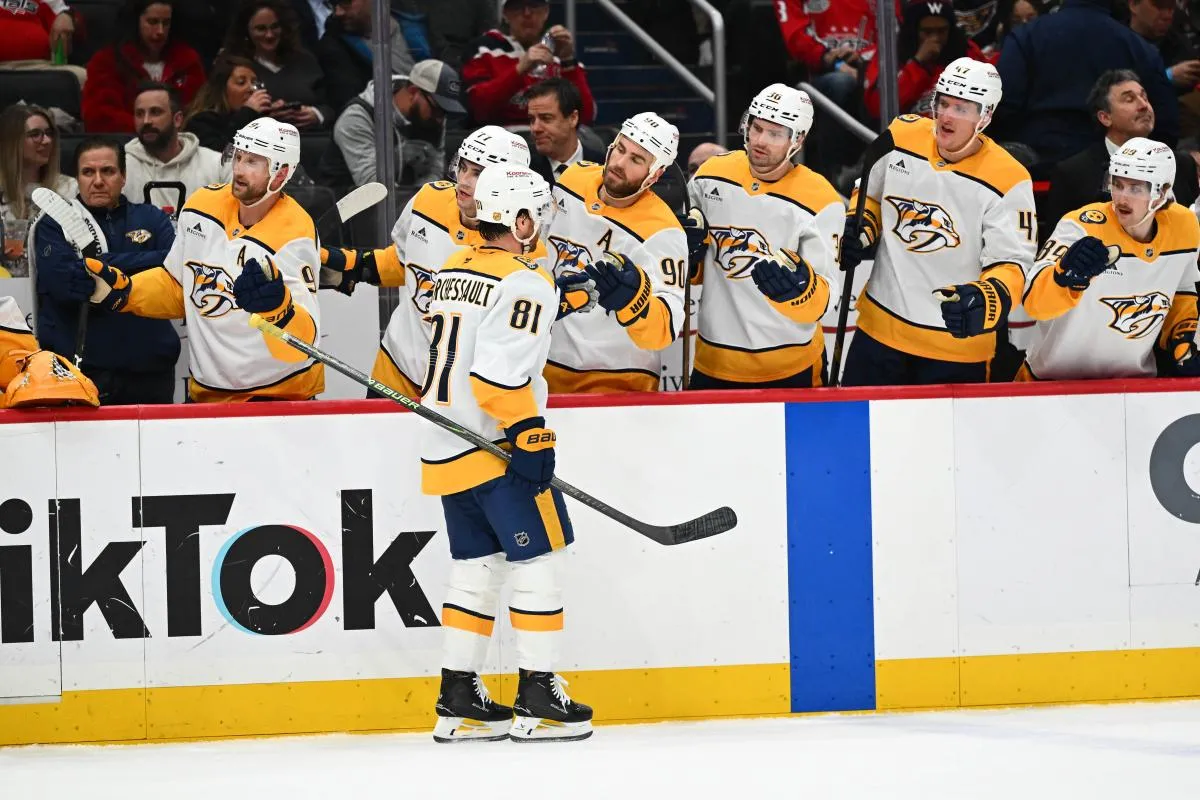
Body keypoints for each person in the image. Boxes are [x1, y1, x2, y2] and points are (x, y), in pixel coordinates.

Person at [420, 164, 592, 744]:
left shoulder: (450, 270)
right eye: (536, 217)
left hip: (447, 445)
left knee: (475, 570)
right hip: (493, 446)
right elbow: (497, 378)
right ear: (519, 220)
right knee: (540, 560)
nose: (540, 228)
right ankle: (539, 696)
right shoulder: (526, 282)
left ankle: (458, 697)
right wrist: (531, 434)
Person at [80, 118, 324, 402]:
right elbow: (178, 285)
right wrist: (126, 292)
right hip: (208, 394)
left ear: (280, 175)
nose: (238, 170)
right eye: (238, 156)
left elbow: (303, 344)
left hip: (278, 396)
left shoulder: (295, 234)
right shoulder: (201, 206)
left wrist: (280, 312)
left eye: (252, 162)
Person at [839, 57, 1037, 386]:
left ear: (985, 116)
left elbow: (1012, 261)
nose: (945, 115)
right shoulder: (900, 136)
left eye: (961, 108)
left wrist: (989, 297)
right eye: (942, 103)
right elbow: (869, 194)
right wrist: (862, 227)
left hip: (956, 348)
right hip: (879, 334)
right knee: (856, 434)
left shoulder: (1009, 178)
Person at [320, 126, 539, 396]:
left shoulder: (522, 242)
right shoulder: (428, 200)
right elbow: (402, 261)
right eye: (463, 167)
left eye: (479, 173)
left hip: (461, 393)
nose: (464, 181)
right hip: (395, 371)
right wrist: (346, 265)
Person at [687, 84, 843, 389]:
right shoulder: (709, 175)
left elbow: (827, 296)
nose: (759, 141)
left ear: (797, 139)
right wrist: (689, 254)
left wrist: (802, 291)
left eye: (774, 134)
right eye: (756, 128)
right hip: (714, 362)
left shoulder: (821, 198)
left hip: (791, 366)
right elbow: (692, 269)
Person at [1021, 138, 1200, 380]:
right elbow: (1033, 302)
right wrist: (1063, 277)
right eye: (1117, 184)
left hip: (1132, 387)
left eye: (1135, 188)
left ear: (1162, 192)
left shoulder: (1184, 226)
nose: (1122, 198)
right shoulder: (1081, 226)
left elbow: (1182, 287)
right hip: (1053, 383)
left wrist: (1182, 333)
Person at [544, 112, 687, 393]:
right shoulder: (572, 180)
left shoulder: (663, 232)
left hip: (619, 378)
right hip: (546, 366)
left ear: (655, 174)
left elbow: (667, 328)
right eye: (620, 149)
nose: (619, 163)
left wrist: (637, 304)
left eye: (636, 160)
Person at [32, 137, 179, 405]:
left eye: (108, 171)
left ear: (123, 176)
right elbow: (68, 285)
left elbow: (174, 269)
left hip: (151, 372)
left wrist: (102, 263)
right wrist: (142, 263)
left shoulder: (152, 218)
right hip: (84, 373)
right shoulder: (56, 224)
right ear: (76, 177)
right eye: (88, 172)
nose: (98, 180)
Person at [993, 0, 1178, 166]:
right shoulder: (1139, 47)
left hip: (1038, 166)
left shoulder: (1026, 36)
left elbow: (1002, 105)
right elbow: (1165, 122)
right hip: (1117, 171)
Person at [1045, 71, 1199, 235]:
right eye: (1129, 99)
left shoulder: (1182, 164)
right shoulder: (1073, 173)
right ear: (1105, 117)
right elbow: (1056, 243)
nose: (1143, 105)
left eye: (1144, 97)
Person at [461, 0, 596, 128]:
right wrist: (519, 70)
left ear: (546, 12)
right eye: (518, 6)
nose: (527, 13)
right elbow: (478, 111)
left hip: (554, 142)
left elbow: (585, 117)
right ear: (505, 15)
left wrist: (568, 62)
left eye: (534, 5)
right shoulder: (484, 50)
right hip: (502, 141)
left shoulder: (559, 54)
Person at [330, 61, 461, 190]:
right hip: (347, 205)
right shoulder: (357, 118)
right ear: (413, 91)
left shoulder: (433, 118)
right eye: (437, 108)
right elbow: (372, 187)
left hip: (409, 204)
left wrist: (422, 200)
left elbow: (435, 172)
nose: (440, 119)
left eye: (445, 112)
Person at [82, 0, 206, 133]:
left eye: (166, 23)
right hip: (126, 144)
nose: (160, 31)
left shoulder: (187, 60)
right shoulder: (107, 61)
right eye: (152, 22)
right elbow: (99, 116)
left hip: (182, 144)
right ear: (136, 22)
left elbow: (201, 110)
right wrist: (152, 130)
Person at [864, 0, 985, 122]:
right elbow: (876, 108)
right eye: (927, 32)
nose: (935, 39)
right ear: (914, 30)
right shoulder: (891, 54)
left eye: (942, 31)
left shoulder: (967, 52)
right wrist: (918, 64)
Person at [220, 0, 332, 130]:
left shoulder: (305, 60)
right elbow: (222, 115)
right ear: (246, 31)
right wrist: (262, 117)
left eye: (275, 27)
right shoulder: (233, 65)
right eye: (261, 29)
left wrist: (317, 115)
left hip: (313, 139)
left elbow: (330, 104)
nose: (269, 35)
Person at [0, 105, 77, 280]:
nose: (47, 141)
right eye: (35, 134)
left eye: (49, 133)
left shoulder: (69, 188)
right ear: (12, 141)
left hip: (53, 285)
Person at [124, 82, 226, 214]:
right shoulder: (121, 166)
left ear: (177, 119)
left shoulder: (216, 164)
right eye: (139, 114)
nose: (146, 121)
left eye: (155, 112)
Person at [316, 0, 415, 112]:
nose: (338, 12)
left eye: (346, 2)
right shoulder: (335, 47)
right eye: (334, 4)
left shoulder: (417, 28)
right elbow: (349, 105)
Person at [184, 55, 274, 154]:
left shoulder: (255, 120)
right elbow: (220, 156)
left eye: (254, 83)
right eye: (241, 82)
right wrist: (247, 113)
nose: (251, 88)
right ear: (222, 89)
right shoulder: (201, 122)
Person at [523, 78, 604, 186]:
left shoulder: (603, 167)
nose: (535, 128)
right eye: (532, 119)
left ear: (573, 118)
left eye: (546, 118)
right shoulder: (524, 169)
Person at [0, 0, 86, 84]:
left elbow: (79, 31)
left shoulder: (46, 2)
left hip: (40, 67)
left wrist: (67, 17)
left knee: (84, 78)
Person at [1128, 0, 1200, 94]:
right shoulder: (1117, 42)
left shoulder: (1178, 40)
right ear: (1134, 5)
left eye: (1171, 8)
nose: (1167, 16)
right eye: (1159, 7)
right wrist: (1166, 76)